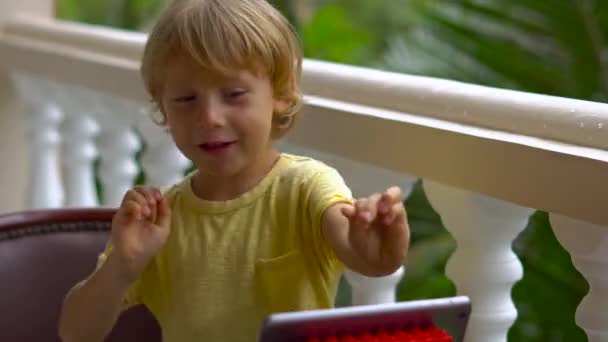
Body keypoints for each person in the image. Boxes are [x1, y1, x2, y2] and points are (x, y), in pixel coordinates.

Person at [58, 0, 410, 341]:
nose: (209, 117)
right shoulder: (162, 220)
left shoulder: (307, 187)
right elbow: (75, 331)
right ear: (163, 109)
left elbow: (360, 253)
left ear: (282, 94)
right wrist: (124, 265)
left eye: (234, 94)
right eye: (185, 99)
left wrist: (379, 252)